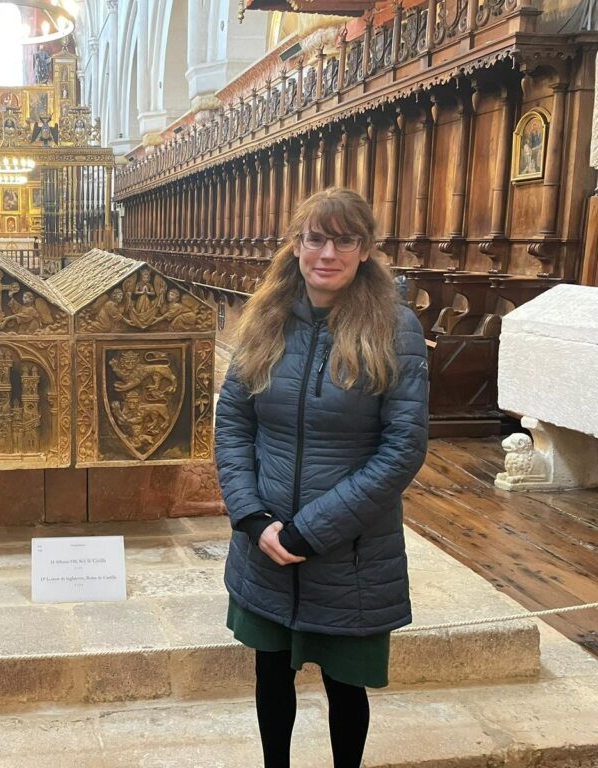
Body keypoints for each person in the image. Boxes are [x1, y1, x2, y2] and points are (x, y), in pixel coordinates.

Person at [214, 187, 428, 768]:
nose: (327, 252)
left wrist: (310, 532)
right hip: (263, 539)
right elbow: (233, 421)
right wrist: (252, 516)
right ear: (297, 245)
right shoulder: (265, 318)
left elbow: (403, 446)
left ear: (364, 250)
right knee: (270, 675)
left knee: (344, 687)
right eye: (315, 238)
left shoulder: (394, 327)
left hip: (350, 548)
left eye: (343, 240)